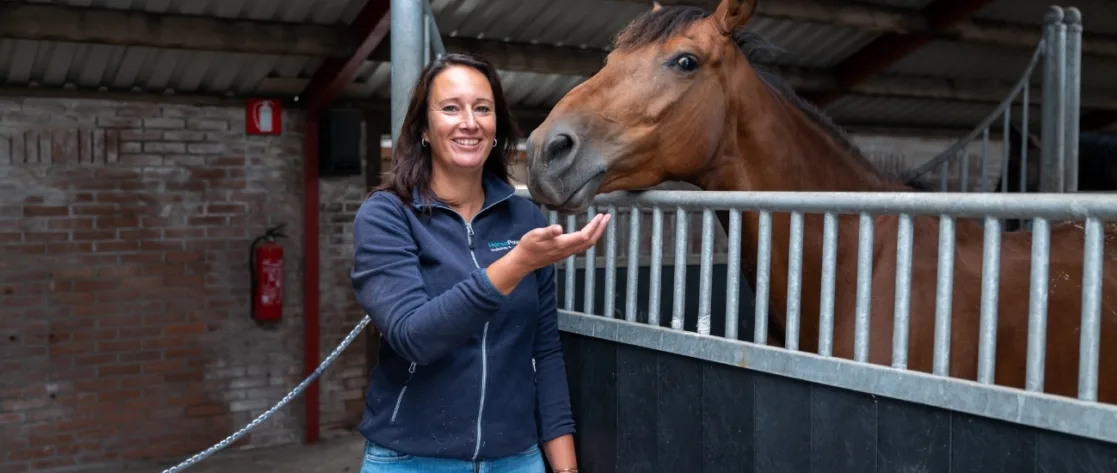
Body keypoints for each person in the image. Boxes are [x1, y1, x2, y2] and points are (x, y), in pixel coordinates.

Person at [351, 52, 609, 473]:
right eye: (451, 108)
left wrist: (565, 468)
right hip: (412, 461)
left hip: (516, 459)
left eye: (482, 109)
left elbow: (543, 353)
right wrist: (517, 263)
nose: (469, 122)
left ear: (496, 130)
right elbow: (414, 336)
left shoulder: (524, 219)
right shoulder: (388, 216)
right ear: (423, 131)